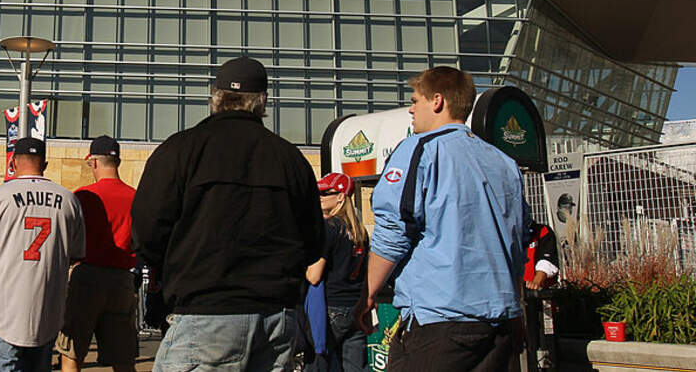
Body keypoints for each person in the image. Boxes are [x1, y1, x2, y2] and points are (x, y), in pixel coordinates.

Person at [132, 56, 324, 372]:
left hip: (206, 315)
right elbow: (314, 243)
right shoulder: (290, 158)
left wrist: (178, 266)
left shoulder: (181, 150)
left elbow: (146, 232)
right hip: (276, 318)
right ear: (262, 101)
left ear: (215, 97)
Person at [355, 66, 531, 372]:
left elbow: (394, 228)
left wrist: (367, 293)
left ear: (437, 101)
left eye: (415, 100)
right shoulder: (504, 163)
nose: (410, 109)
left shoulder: (420, 149)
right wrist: (517, 311)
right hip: (498, 321)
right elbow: (515, 243)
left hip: (440, 318)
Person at [0, 137, 85, 372]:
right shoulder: (69, 200)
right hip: (48, 310)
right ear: (45, 164)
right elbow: (75, 254)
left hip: (5, 310)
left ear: (12, 163)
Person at [58, 136, 137, 372]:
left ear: (93, 162)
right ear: (118, 162)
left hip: (87, 276)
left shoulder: (83, 195)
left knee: (72, 352)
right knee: (123, 358)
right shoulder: (135, 197)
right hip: (122, 279)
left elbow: (69, 240)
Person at [306, 173, 368, 372]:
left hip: (330, 307)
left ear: (341, 196)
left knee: (319, 363)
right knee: (355, 367)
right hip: (356, 305)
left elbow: (314, 276)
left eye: (325, 193)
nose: (319, 197)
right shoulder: (359, 231)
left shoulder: (329, 227)